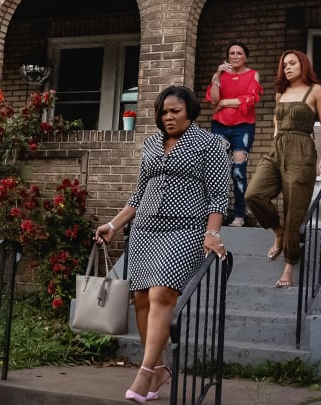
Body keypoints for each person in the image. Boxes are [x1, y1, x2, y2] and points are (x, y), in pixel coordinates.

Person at [95, 86, 230, 403]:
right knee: (141, 298)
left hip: (184, 229)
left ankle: (143, 373)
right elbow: (138, 194)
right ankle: (158, 368)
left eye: (175, 111)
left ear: (190, 111)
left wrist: (212, 233)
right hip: (145, 230)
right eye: (163, 112)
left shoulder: (210, 145)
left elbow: (218, 197)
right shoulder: (151, 144)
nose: (168, 117)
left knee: (161, 293)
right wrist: (114, 224)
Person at [245, 50, 321, 288]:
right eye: (284, 65)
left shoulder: (315, 90)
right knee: (253, 194)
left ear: (303, 65)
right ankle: (278, 232)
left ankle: (289, 265)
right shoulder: (281, 93)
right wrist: (276, 140)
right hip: (278, 150)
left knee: (294, 210)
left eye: (292, 63)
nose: (287, 68)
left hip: (302, 151)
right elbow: (277, 122)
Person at [205, 40, 264, 227]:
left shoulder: (253, 74)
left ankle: (239, 215)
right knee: (218, 170)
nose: (235, 56)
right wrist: (216, 75)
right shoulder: (221, 76)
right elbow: (214, 99)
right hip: (220, 126)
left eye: (239, 53)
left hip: (243, 127)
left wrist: (223, 103)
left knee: (238, 171)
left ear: (245, 56)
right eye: (232, 53)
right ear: (227, 57)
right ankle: (216, 214)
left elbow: (248, 99)